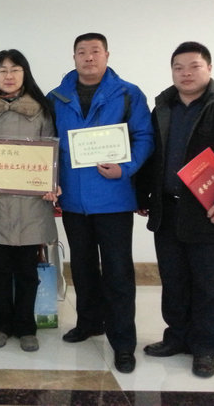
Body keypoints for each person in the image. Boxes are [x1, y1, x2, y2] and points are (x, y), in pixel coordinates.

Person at [136, 41, 214, 378]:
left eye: (194, 66)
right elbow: (151, 156)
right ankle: (176, 337)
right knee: (173, 281)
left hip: (209, 213)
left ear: (209, 68)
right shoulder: (161, 110)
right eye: (178, 68)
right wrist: (142, 196)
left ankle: (205, 348)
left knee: (208, 285)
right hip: (167, 211)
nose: (185, 73)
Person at [47, 33, 153, 374]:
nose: (88, 57)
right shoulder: (56, 97)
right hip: (73, 201)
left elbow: (144, 137)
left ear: (107, 55)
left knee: (118, 272)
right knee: (82, 267)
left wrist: (127, 168)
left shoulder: (128, 94)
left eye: (95, 51)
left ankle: (123, 342)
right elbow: (46, 144)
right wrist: (48, 181)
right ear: (74, 57)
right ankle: (89, 322)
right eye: (82, 52)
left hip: (114, 199)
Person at [0, 49, 59, 353]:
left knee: (27, 270)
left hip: (32, 202)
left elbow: (51, 151)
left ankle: (26, 326)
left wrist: (51, 183)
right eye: (3, 70)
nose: (9, 76)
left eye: (15, 70)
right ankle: (1, 324)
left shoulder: (42, 109)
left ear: (25, 74)